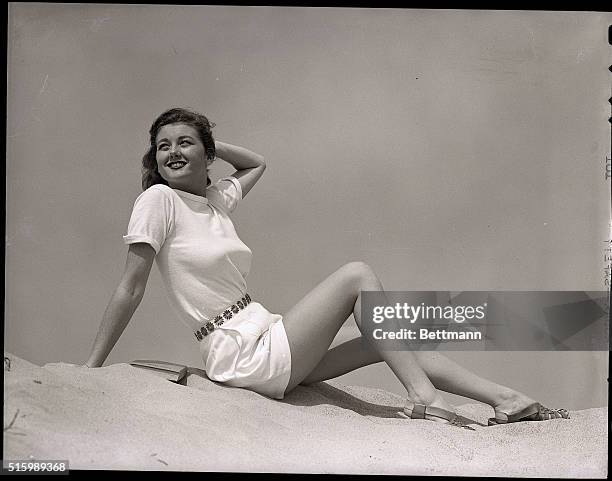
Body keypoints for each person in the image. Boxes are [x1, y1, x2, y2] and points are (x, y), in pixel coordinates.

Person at [85, 107, 569, 429]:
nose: (172, 152)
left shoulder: (213, 202)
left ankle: (507, 399)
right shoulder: (158, 200)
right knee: (358, 274)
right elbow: (131, 287)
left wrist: (209, 139)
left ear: (205, 154)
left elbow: (256, 164)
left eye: (185, 142)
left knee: (390, 337)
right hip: (243, 355)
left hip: (268, 336)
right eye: (163, 144)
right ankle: (428, 397)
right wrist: (91, 368)